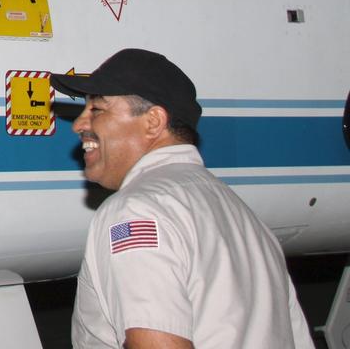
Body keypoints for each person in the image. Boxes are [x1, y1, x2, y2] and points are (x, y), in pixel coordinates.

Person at [51, 49, 314, 349]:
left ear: (153, 121)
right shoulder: (242, 216)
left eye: (97, 109)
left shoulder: (136, 212)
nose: (78, 124)